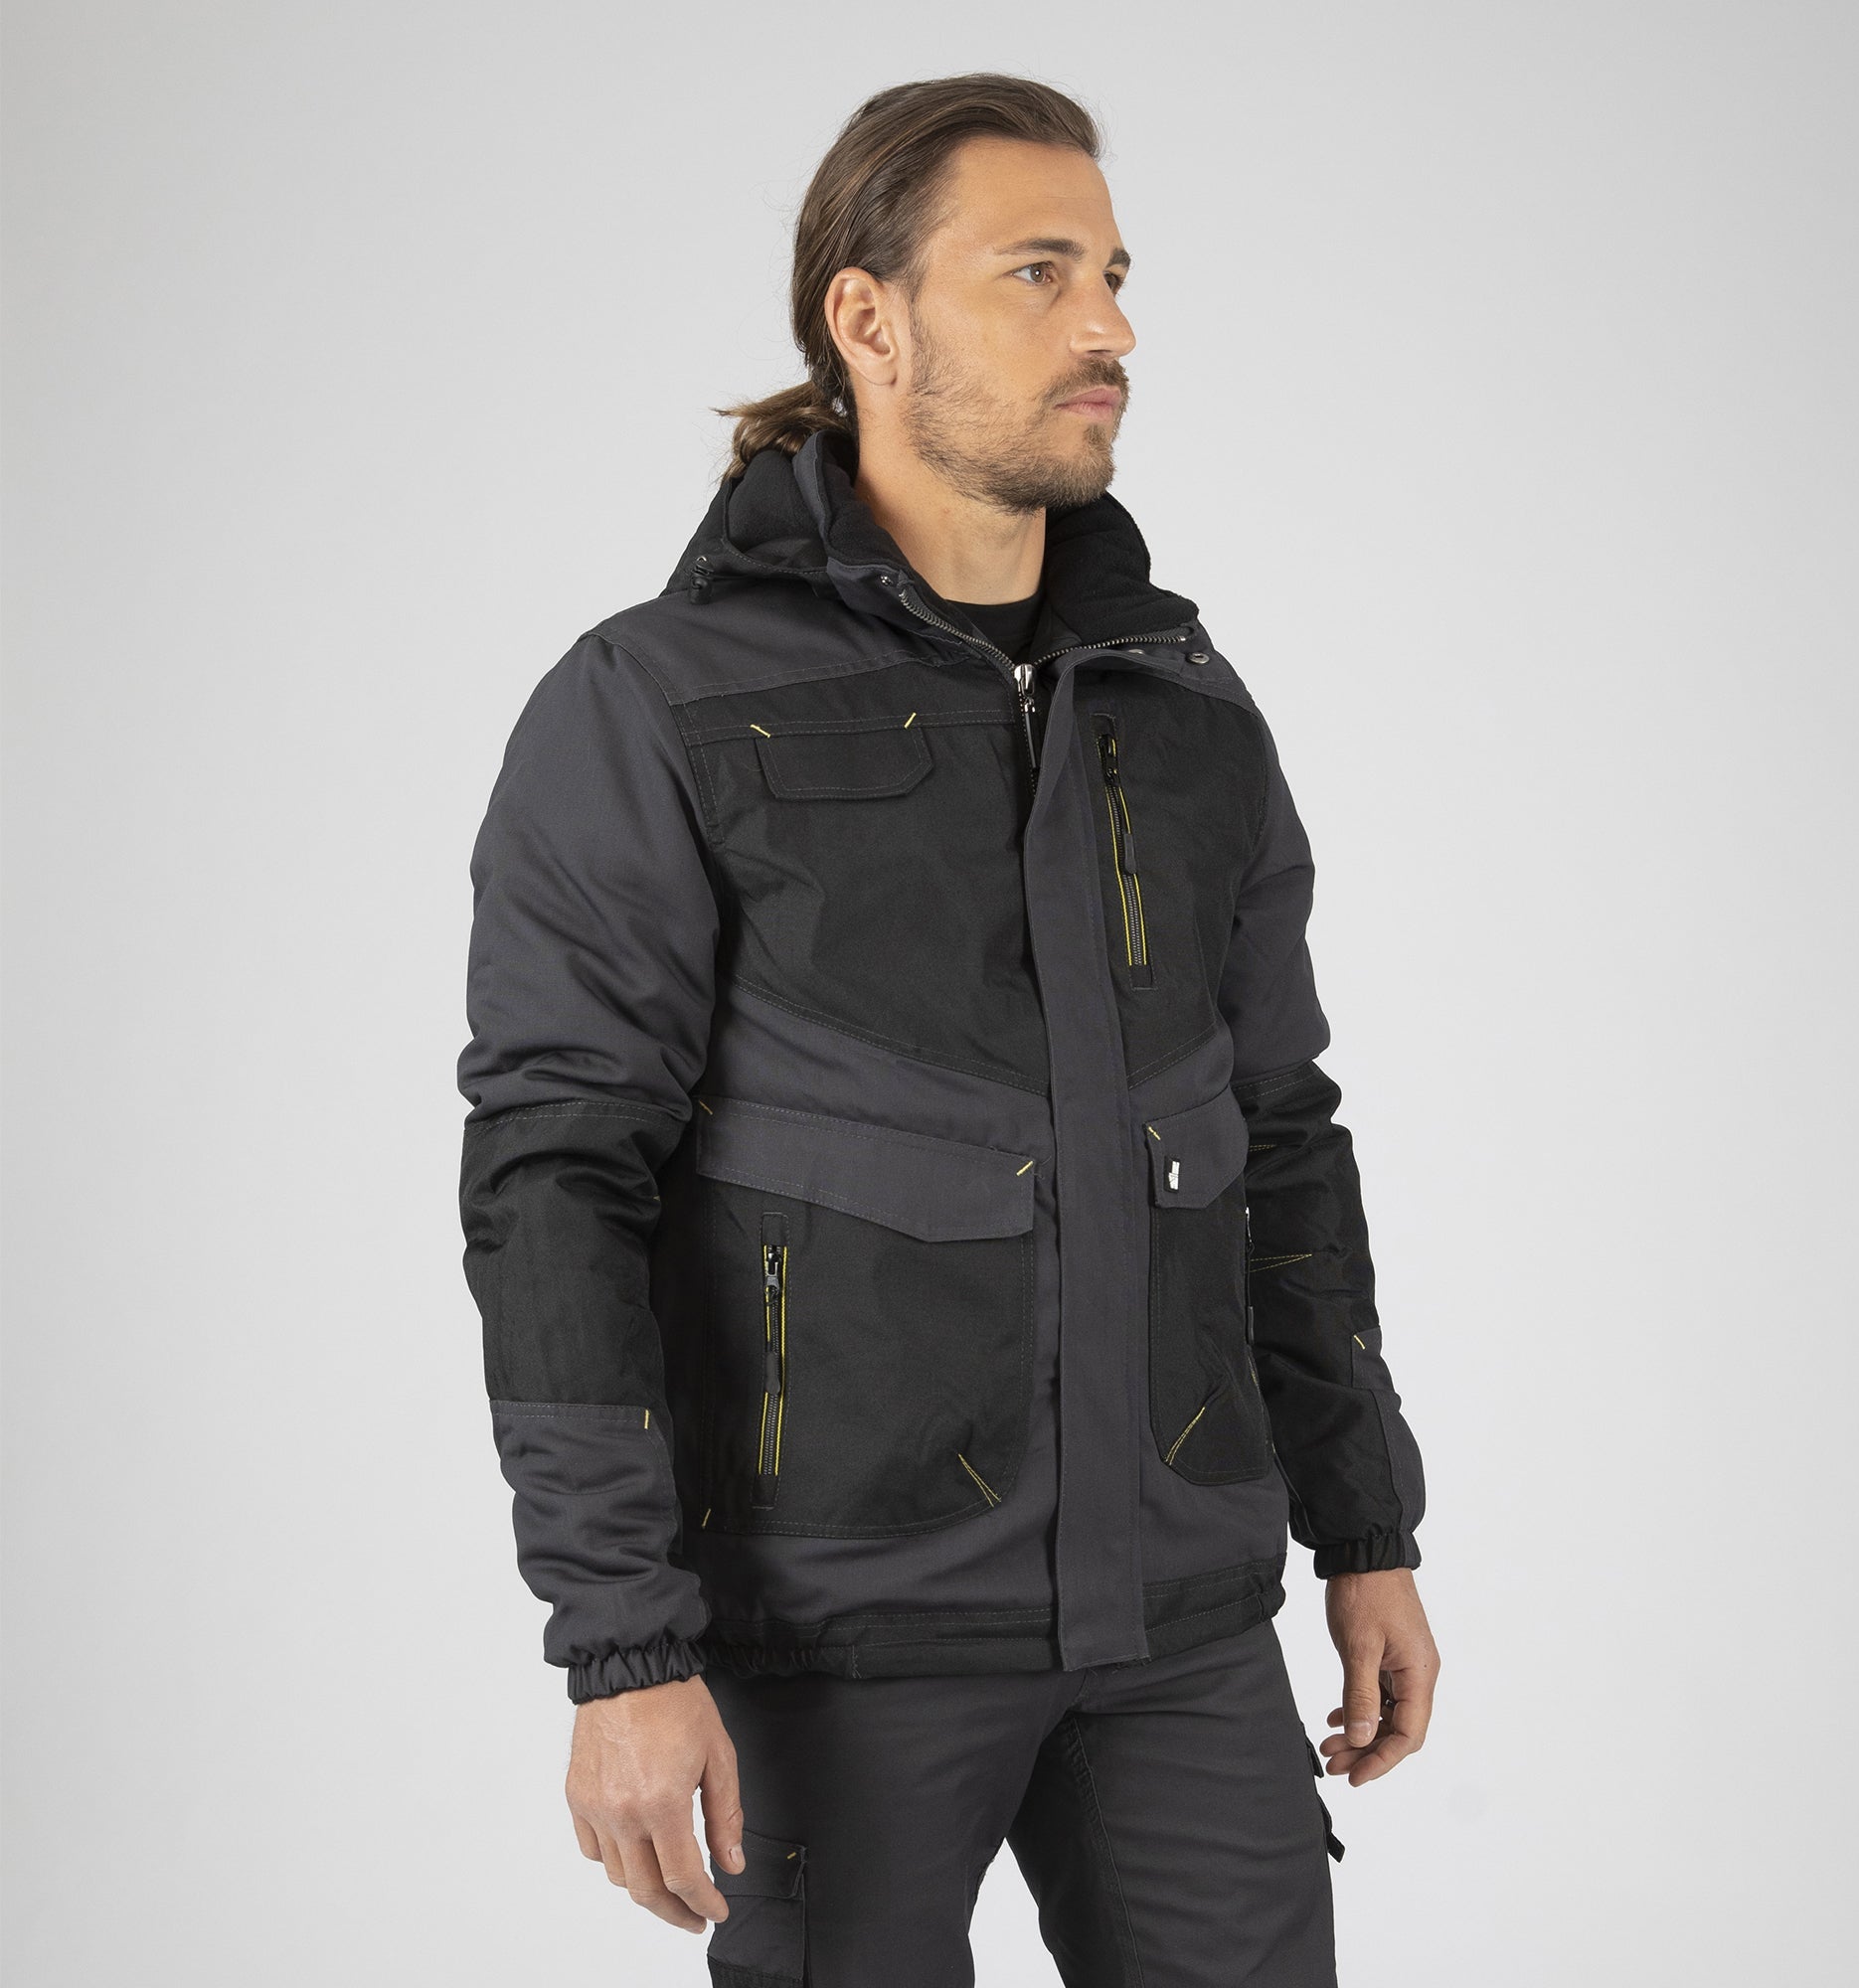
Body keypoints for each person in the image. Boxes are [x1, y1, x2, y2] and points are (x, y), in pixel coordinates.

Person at [457, 71, 1439, 1988]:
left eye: (1117, 277)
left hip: (1181, 1624)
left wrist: (1365, 1527)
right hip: (836, 1633)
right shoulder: (658, 702)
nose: (1109, 328)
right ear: (869, 318)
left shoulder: (1184, 709)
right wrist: (622, 1645)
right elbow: (557, 1179)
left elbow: (1277, 1133)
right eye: (1039, 272)